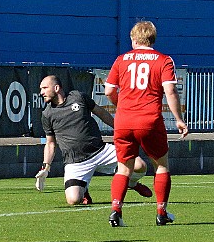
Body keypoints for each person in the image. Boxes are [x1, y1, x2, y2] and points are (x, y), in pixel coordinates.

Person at [104, 21, 189, 227]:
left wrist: (121, 104)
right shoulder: (163, 60)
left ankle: (116, 211)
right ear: (153, 38)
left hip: (123, 120)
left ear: (133, 39)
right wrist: (178, 119)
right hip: (149, 120)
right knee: (161, 165)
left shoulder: (121, 59)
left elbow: (108, 91)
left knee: (124, 168)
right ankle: (161, 212)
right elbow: (170, 91)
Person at [34, 75, 152, 205]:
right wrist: (46, 167)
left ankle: (131, 182)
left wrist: (119, 129)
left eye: (44, 88)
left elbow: (101, 113)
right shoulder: (47, 114)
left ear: (56, 88)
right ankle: (83, 189)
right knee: (73, 200)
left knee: (140, 166)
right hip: (76, 162)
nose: (41, 93)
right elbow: (51, 143)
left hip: (101, 151)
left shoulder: (78, 97)